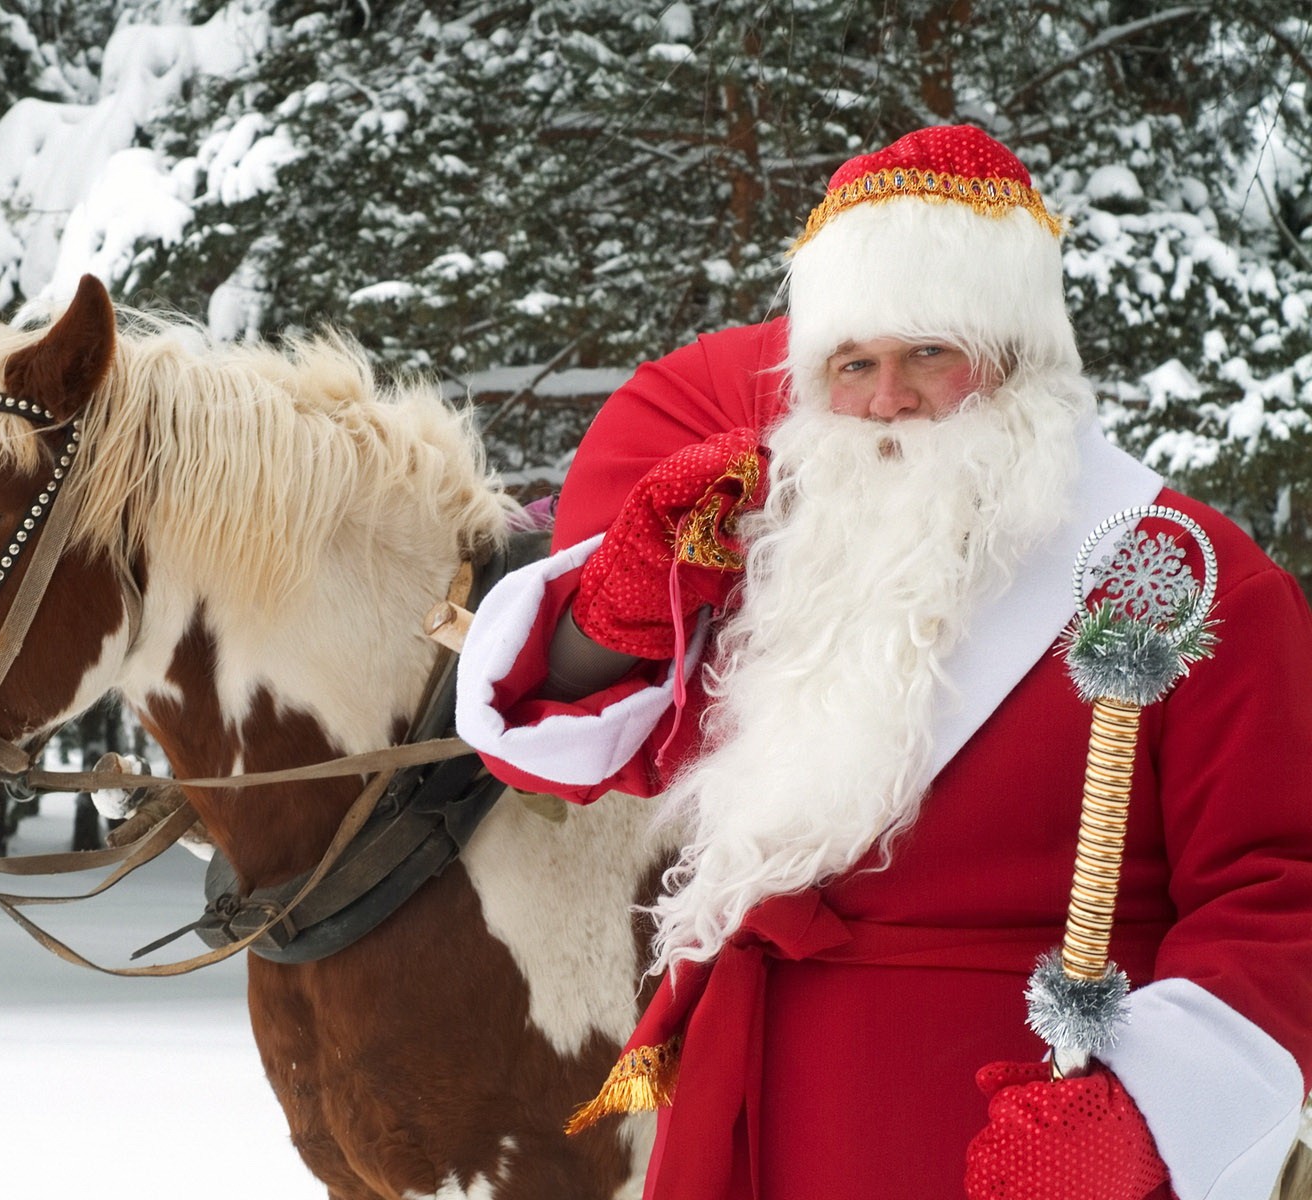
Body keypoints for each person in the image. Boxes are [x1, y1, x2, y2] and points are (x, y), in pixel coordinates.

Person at [454, 126, 1312, 1200]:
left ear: (1016, 359)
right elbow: (573, 755)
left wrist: (1142, 1113)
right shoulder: (787, 554)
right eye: (852, 365)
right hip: (753, 1117)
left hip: (1013, 1130)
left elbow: (1282, 892)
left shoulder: (1183, 575)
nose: (886, 399)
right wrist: (615, 614)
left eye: (928, 355)